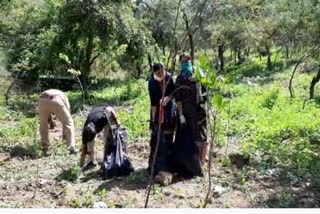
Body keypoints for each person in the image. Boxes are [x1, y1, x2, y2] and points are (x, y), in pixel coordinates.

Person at [174, 53, 208, 166]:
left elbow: (206, 91)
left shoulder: (199, 74)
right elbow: (178, 98)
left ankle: (202, 161)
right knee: (189, 137)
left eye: (187, 60)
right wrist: (181, 114)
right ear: (180, 63)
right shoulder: (180, 78)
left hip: (200, 111)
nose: (185, 63)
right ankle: (193, 162)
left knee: (201, 136)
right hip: (187, 113)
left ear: (191, 60)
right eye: (183, 61)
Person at [148, 62, 176, 185]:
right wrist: (154, 120)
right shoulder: (152, 83)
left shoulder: (169, 78)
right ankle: (155, 167)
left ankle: (169, 166)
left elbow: (173, 93)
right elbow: (153, 103)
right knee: (157, 139)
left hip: (169, 112)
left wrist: (168, 99)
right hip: (158, 112)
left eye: (162, 72)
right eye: (158, 73)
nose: (160, 75)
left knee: (168, 137)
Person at [37, 89, 78, 156]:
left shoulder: (56, 92)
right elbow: (67, 110)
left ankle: (45, 146)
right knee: (69, 123)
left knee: (43, 124)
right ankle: (71, 147)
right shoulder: (64, 97)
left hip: (42, 99)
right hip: (56, 99)